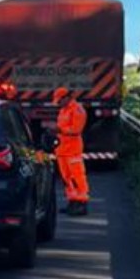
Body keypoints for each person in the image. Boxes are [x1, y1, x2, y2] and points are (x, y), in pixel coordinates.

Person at [53, 86, 90, 216]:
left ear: (67, 97)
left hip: (73, 150)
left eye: (59, 100)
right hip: (62, 150)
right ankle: (72, 202)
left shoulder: (77, 110)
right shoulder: (63, 110)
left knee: (77, 177)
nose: (58, 103)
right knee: (67, 178)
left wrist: (59, 130)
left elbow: (76, 129)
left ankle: (82, 204)